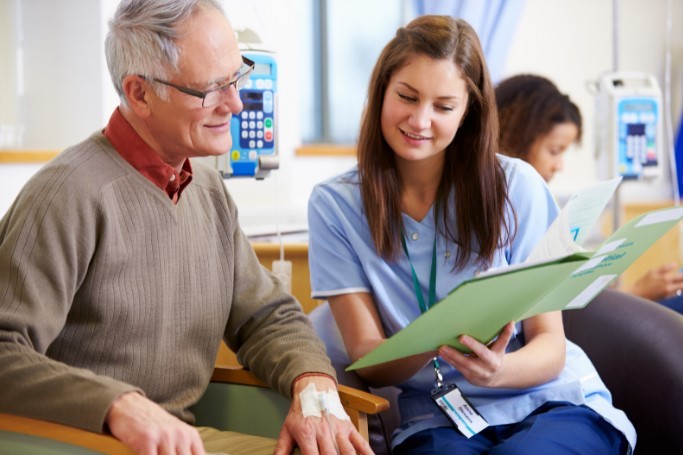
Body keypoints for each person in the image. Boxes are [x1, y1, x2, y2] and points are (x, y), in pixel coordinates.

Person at [0, 1, 372, 454]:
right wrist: (116, 403)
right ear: (139, 94)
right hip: (81, 441)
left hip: (186, 441)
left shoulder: (209, 191)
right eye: (211, 89)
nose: (235, 103)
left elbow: (267, 317)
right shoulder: (66, 196)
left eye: (237, 77)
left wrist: (312, 385)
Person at [307, 16, 635, 454]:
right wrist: (441, 336)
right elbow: (369, 358)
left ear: (468, 113)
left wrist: (496, 370)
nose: (419, 120)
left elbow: (550, 346)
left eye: (443, 106)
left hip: (549, 401)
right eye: (406, 96)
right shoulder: (335, 205)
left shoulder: (516, 185)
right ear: (381, 91)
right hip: (437, 417)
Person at [496, 73, 683, 311]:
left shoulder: (534, 203)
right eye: (554, 150)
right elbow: (549, 311)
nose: (560, 165)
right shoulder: (507, 210)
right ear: (515, 139)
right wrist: (636, 294)